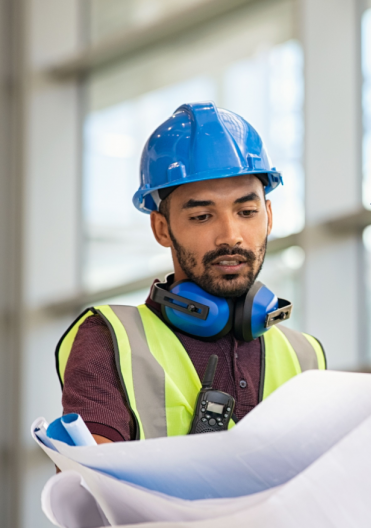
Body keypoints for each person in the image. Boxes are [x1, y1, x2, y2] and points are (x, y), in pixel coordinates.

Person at [57, 102, 325, 444]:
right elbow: (91, 489)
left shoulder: (306, 356)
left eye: (246, 211)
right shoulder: (111, 339)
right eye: (202, 216)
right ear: (162, 228)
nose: (231, 235)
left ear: (269, 216)